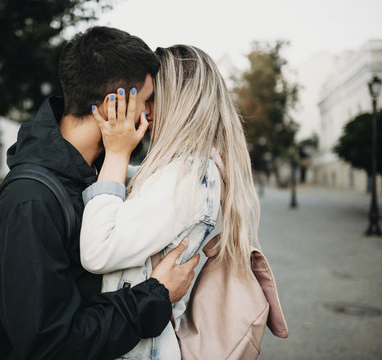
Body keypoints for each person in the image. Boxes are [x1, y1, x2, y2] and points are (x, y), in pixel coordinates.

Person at [0, 27, 199, 360]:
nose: (151, 113)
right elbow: (50, 345)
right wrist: (154, 296)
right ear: (112, 106)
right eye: (146, 100)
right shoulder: (32, 201)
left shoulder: (99, 175)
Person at [80, 45, 260, 359]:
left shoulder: (187, 176)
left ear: (179, 101)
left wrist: (117, 154)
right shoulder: (185, 171)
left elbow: (97, 251)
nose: (142, 109)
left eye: (151, 98)